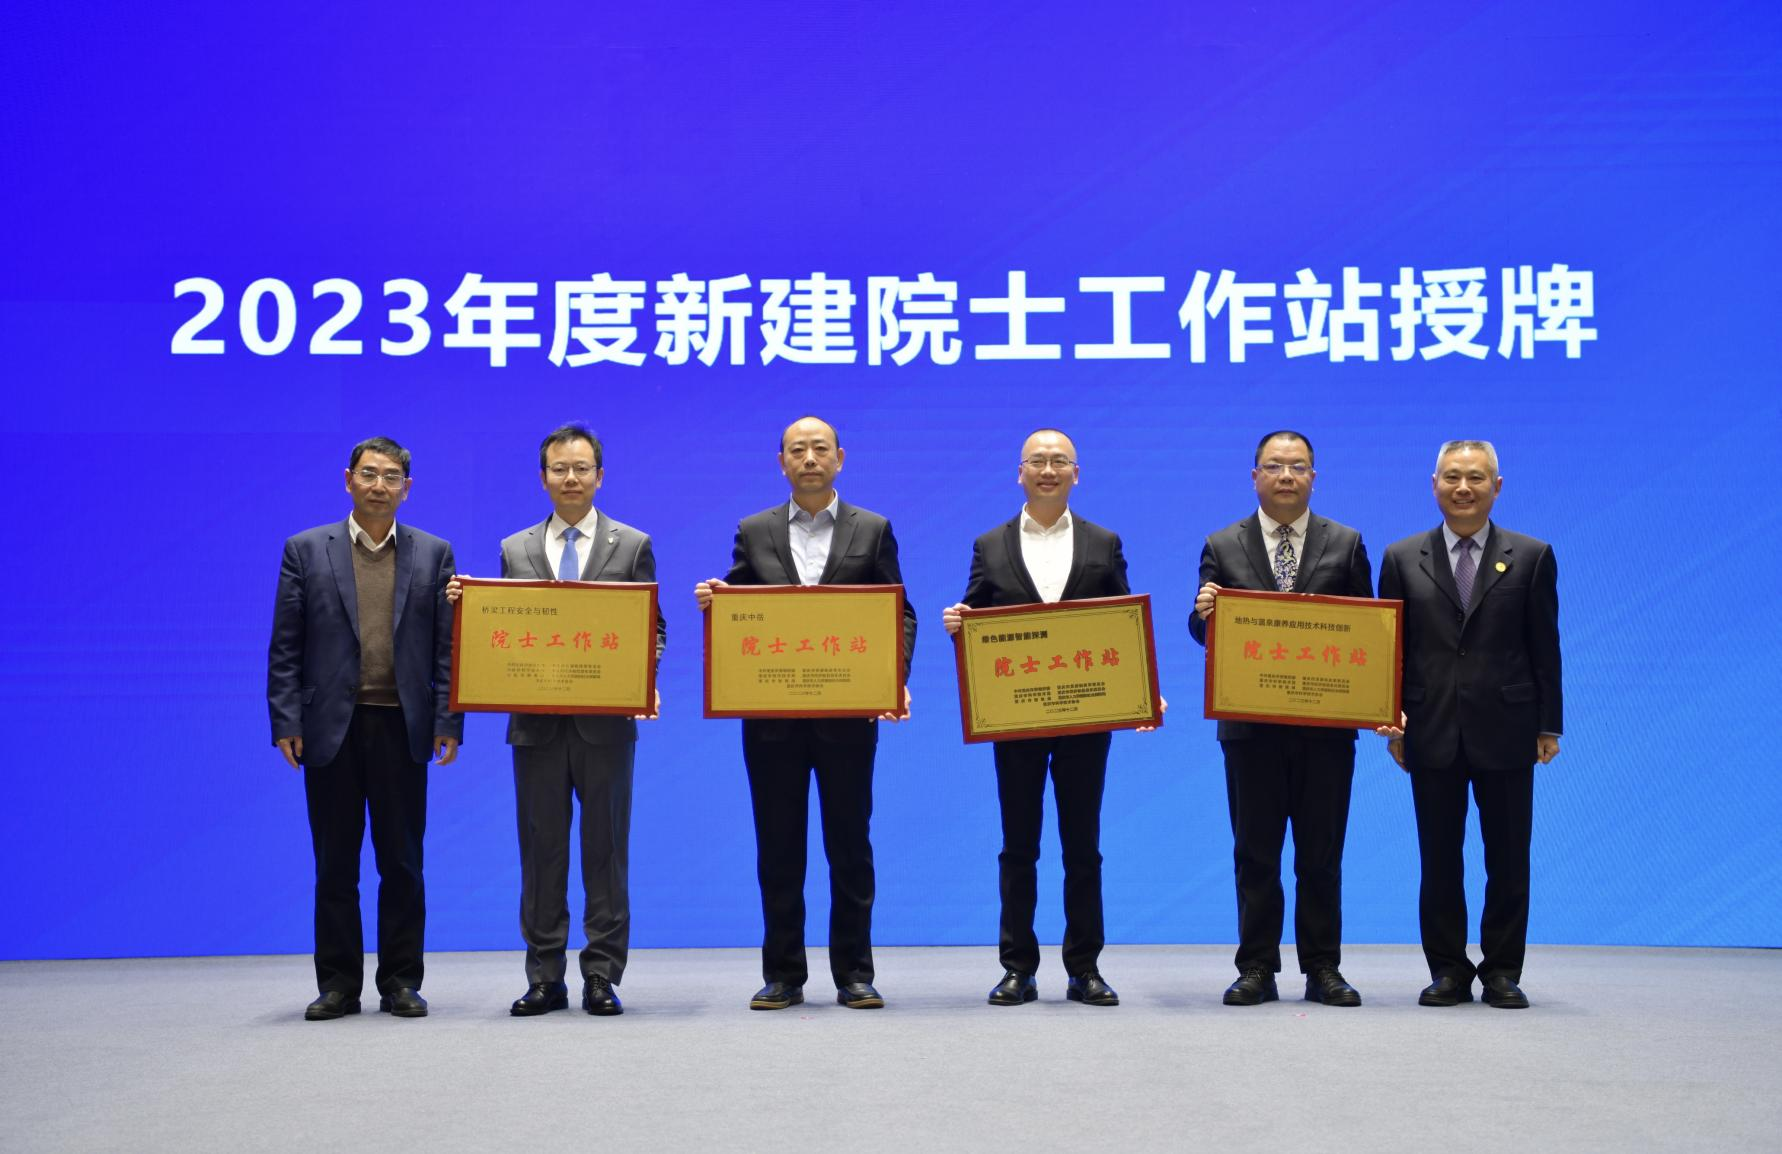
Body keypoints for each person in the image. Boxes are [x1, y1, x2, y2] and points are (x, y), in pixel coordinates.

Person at [695, 416, 917, 1011]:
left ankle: (855, 974)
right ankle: (783, 974)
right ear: (782, 462)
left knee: (850, 847)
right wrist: (717, 603)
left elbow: (900, 613)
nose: (810, 459)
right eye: (798, 450)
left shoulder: (873, 529)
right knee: (778, 848)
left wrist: (893, 679)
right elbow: (740, 609)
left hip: (848, 718)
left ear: (840, 458)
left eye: (820, 449)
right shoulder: (753, 530)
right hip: (772, 722)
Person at [450, 423, 665, 1017]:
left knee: (606, 851)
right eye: (559, 468)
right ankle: (544, 975)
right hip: (535, 725)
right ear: (543, 477)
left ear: (600, 475)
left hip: (606, 725)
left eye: (581, 468)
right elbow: (501, 629)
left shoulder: (632, 544)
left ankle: (601, 974)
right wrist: (467, 610)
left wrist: (642, 674)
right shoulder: (514, 548)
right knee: (540, 851)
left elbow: (654, 627)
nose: (571, 478)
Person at [941, 429, 1159, 1008]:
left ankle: (1085, 968)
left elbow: (1122, 622)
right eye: (1036, 460)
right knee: (1019, 846)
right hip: (1016, 720)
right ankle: (1018, 968)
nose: (1047, 469)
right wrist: (960, 624)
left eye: (1059, 461)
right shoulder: (990, 544)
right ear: (1020, 472)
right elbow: (977, 621)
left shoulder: (1103, 541)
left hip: (1086, 718)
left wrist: (1142, 692)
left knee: (1083, 846)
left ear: (1076, 473)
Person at [268, 436, 462, 1021]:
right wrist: (286, 719)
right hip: (330, 727)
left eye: (392, 476)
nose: (380, 485)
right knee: (335, 863)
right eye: (370, 474)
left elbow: (448, 649)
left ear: (408, 487)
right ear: (348, 479)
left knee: (402, 862)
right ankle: (337, 985)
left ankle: (401, 981)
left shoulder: (434, 553)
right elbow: (286, 644)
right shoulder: (306, 549)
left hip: (403, 724)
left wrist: (448, 719)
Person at [1189, 431, 1373, 1008]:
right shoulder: (1222, 543)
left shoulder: (1346, 543)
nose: (1286, 476)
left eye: (1297, 466)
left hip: (1326, 731)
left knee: (1321, 856)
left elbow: (1370, 631)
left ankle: (1323, 968)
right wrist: (1203, 615)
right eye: (1274, 466)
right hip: (1250, 731)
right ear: (1255, 477)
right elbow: (1202, 632)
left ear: (1314, 476)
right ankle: (1256, 968)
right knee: (1256, 854)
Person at [1378, 440, 1561, 1009]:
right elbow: (1390, 649)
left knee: (1508, 858)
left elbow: (1544, 646)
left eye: (1476, 478)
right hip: (1429, 728)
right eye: (1452, 477)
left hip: (1508, 728)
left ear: (1496, 487)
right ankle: (1448, 970)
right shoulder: (1401, 557)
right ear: (1434, 484)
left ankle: (1502, 970)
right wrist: (1390, 720)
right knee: (1439, 859)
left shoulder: (1531, 555)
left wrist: (1549, 725)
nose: (1463, 488)